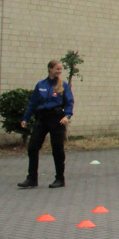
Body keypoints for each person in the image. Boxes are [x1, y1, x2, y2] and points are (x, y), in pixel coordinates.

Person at [18, 60, 74, 188]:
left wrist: (67, 116)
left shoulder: (63, 85)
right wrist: (25, 118)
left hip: (57, 118)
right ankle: (32, 178)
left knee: (57, 148)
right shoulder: (41, 85)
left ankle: (60, 178)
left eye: (60, 69)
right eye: (57, 69)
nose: (59, 71)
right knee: (33, 147)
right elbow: (32, 103)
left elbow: (69, 102)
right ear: (50, 69)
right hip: (42, 118)